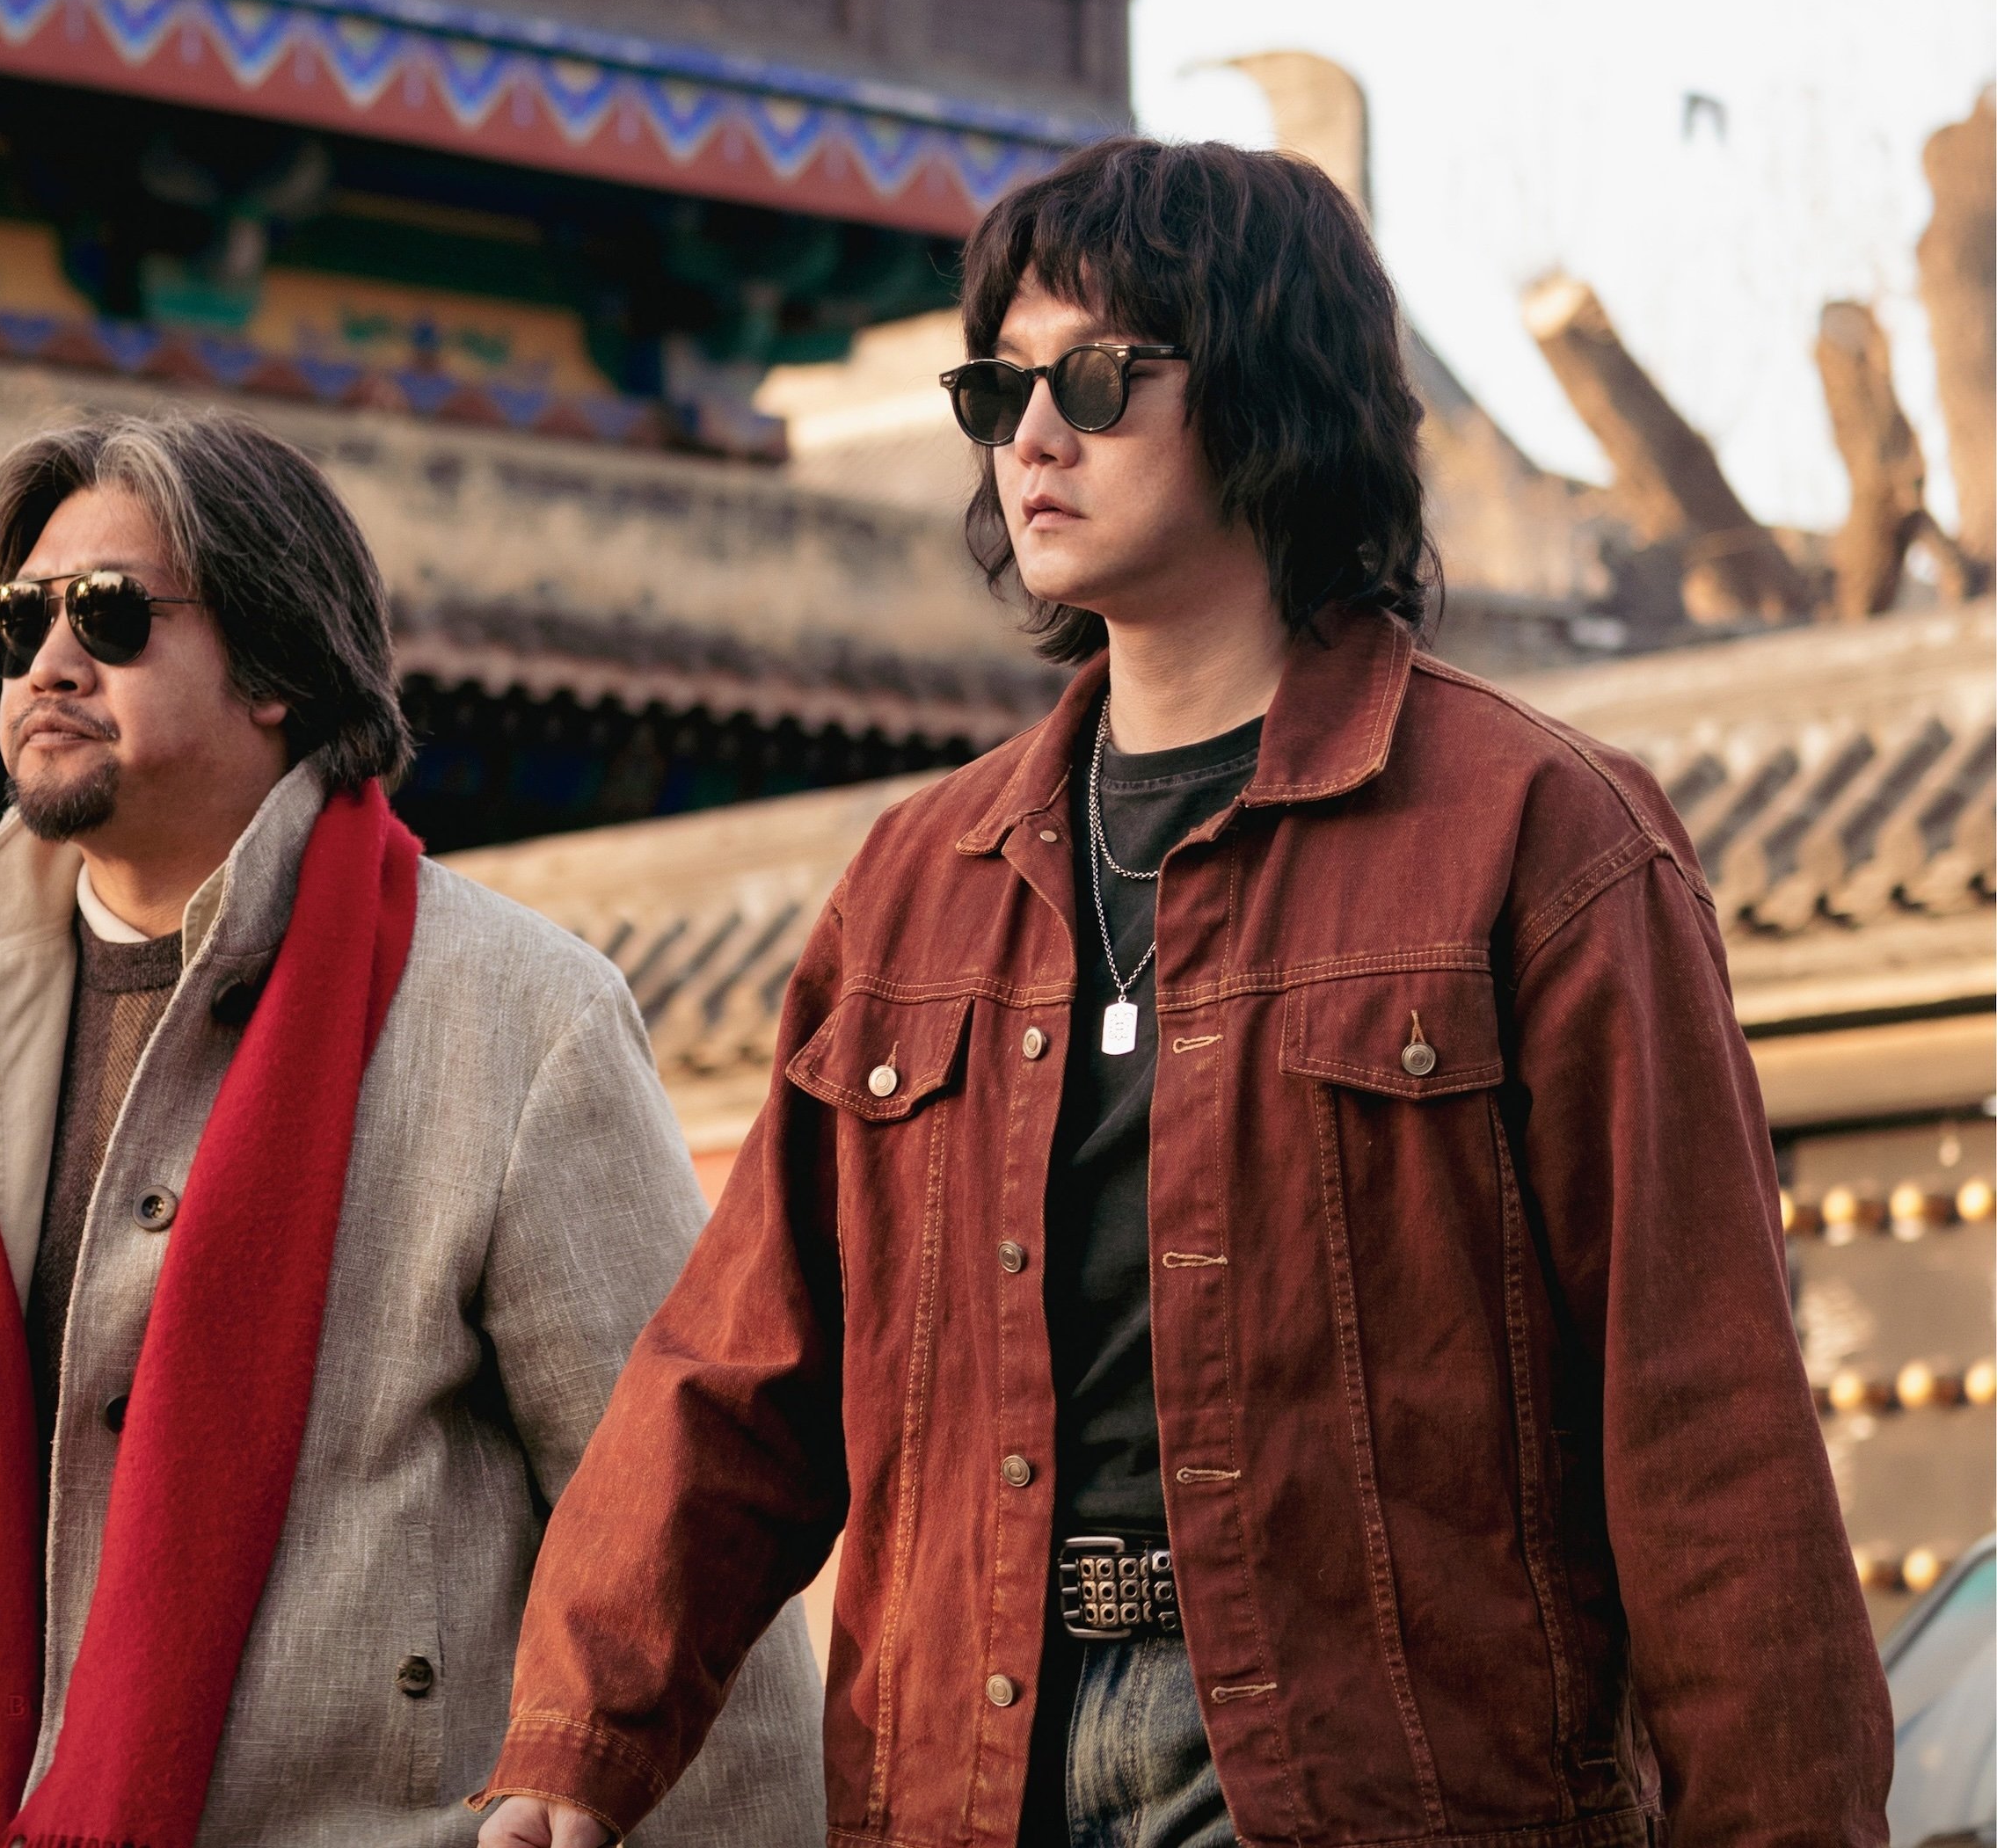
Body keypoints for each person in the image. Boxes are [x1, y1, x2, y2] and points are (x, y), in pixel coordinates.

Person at [476, 137, 1891, 1848]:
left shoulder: (1539, 836)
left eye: (1094, 378)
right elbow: (740, 1369)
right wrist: (577, 1740)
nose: (1033, 439)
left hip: (1371, 1778)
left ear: (1273, 394)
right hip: (971, 1765)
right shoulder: (920, 885)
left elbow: (1702, 1415)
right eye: (995, 392)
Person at [0, 410, 825, 1847]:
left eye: (111, 615)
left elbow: (665, 1510)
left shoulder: (512, 1018)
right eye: (19, 621)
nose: (50, 663)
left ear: (278, 671)